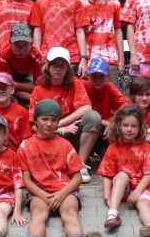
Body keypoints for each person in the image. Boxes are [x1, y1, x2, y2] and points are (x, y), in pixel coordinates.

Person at [11, 99, 103, 237]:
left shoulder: (65, 145)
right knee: (38, 214)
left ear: (59, 122)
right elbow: (26, 180)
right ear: (36, 120)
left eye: (54, 120)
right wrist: (44, 196)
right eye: (44, 119)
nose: (49, 124)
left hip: (65, 191)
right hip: (39, 193)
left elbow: (77, 177)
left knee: (70, 213)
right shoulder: (26, 146)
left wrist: (62, 194)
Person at [28, 47, 101, 183]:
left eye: (62, 65)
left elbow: (87, 107)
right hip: (51, 137)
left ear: (68, 68)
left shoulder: (74, 82)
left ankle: (80, 165)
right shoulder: (39, 89)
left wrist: (61, 125)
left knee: (93, 116)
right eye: (55, 64)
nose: (58, 68)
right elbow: (33, 126)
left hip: (72, 132)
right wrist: (60, 130)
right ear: (47, 66)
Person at [97, 104, 150, 237]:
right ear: (118, 126)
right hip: (121, 188)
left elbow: (149, 173)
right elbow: (107, 174)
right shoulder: (113, 147)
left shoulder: (145, 147)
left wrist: (138, 191)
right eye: (125, 125)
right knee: (122, 175)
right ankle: (112, 214)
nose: (129, 129)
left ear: (140, 127)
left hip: (141, 186)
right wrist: (107, 195)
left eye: (134, 126)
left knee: (144, 204)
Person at [30, 0, 89, 77]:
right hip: (47, 57)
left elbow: (80, 31)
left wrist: (83, 58)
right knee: (48, 88)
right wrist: (37, 58)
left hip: (72, 57)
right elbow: (37, 31)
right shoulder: (40, 2)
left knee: (72, 87)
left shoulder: (75, 3)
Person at [79, 0, 125, 88]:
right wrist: (82, 59)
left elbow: (118, 31)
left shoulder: (113, 2)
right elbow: (78, 33)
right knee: (88, 94)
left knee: (112, 93)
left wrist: (121, 59)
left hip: (110, 59)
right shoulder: (80, 4)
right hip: (88, 59)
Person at [0, 23, 44, 105]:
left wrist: (15, 85)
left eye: (25, 45)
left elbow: (39, 87)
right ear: (10, 43)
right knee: (5, 99)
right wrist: (31, 97)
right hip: (3, 75)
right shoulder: (3, 54)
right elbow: (4, 86)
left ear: (31, 44)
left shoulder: (37, 56)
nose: (21, 49)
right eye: (17, 45)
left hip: (26, 75)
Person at [82, 57, 129, 137]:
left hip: (105, 126)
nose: (98, 80)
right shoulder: (81, 86)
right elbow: (79, 114)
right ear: (87, 75)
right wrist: (108, 123)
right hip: (86, 125)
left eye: (101, 76)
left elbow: (126, 107)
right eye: (94, 76)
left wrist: (114, 122)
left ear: (108, 76)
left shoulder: (110, 87)